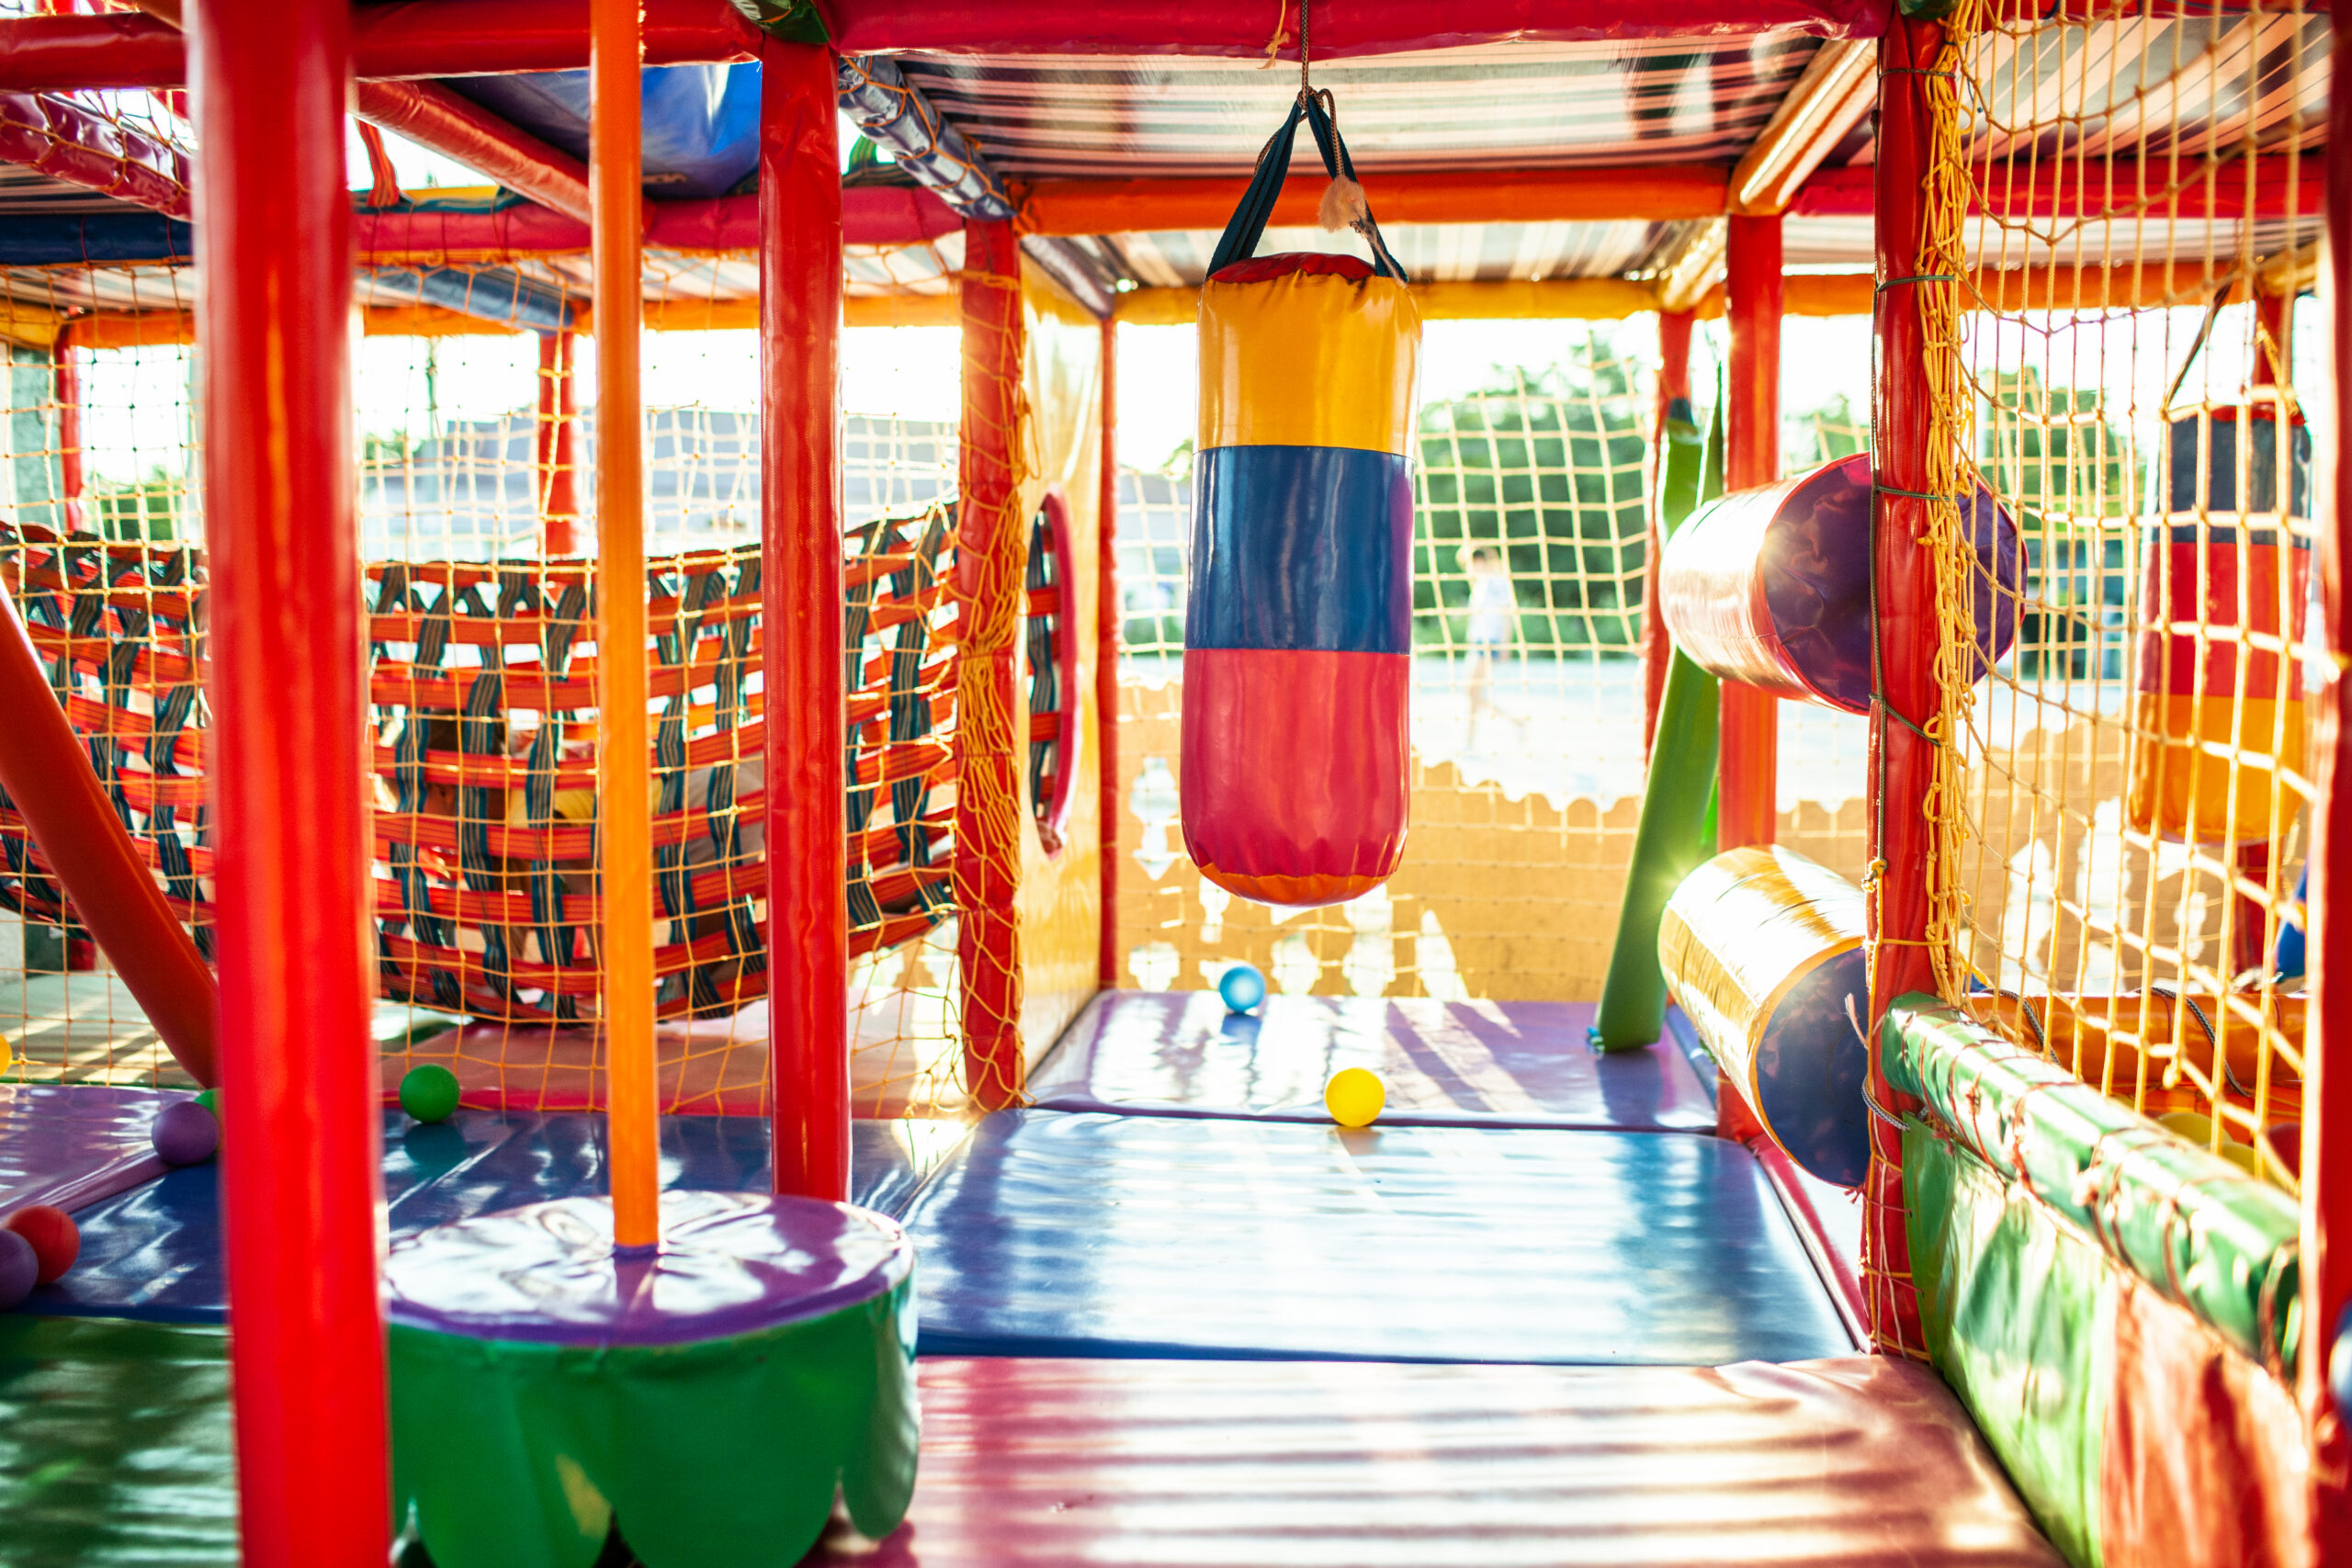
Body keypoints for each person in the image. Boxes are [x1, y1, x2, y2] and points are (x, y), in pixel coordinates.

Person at [1463, 543, 1518, 747]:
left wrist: (1505, 644)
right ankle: (1470, 740)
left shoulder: (1497, 582)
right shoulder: (1481, 583)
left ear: (1479, 561)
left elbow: (1506, 614)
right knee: (1472, 693)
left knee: (1471, 692)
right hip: (1477, 641)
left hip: (1490, 642)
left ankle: (1516, 722)